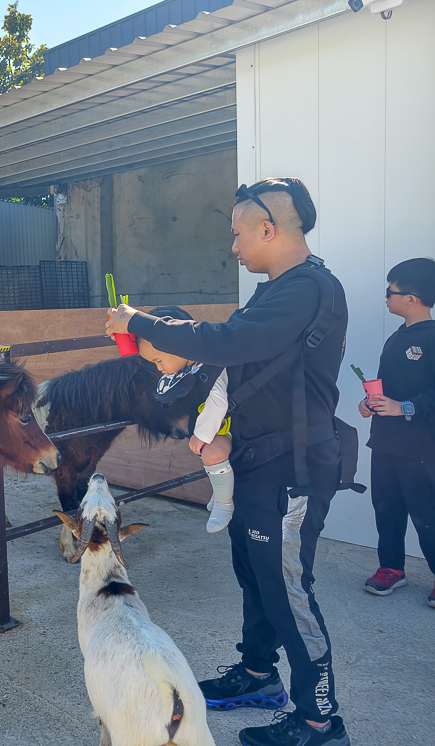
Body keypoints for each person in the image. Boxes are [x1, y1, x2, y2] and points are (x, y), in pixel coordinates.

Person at [105, 177, 351, 746]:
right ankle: (260, 677)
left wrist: (140, 322)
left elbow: (227, 342)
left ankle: (321, 721)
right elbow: (232, 362)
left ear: (270, 229)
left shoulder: (308, 288)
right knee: (255, 577)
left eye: (239, 234)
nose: (234, 247)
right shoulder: (274, 292)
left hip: (294, 469)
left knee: (287, 589)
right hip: (258, 461)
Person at [358, 257, 435, 608]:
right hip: (385, 442)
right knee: (385, 508)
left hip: (419, 446)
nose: (386, 297)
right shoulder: (395, 339)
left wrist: (404, 407)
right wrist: (369, 403)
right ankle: (391, 568)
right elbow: (385, 386)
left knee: (427, 513)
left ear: (412, 299)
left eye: (391, 291)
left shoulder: (432, 340)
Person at [137, 306, 234, 532]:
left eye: (159, 361)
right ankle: (221, 491)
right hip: (218, 428)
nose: (159, 369)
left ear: (180, 348)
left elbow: (217, 402)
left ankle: (224, 504)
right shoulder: (189, 368)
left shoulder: (209, 368)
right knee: (209, 457)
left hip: (230, 429)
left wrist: (201, 435)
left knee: (212, 453)